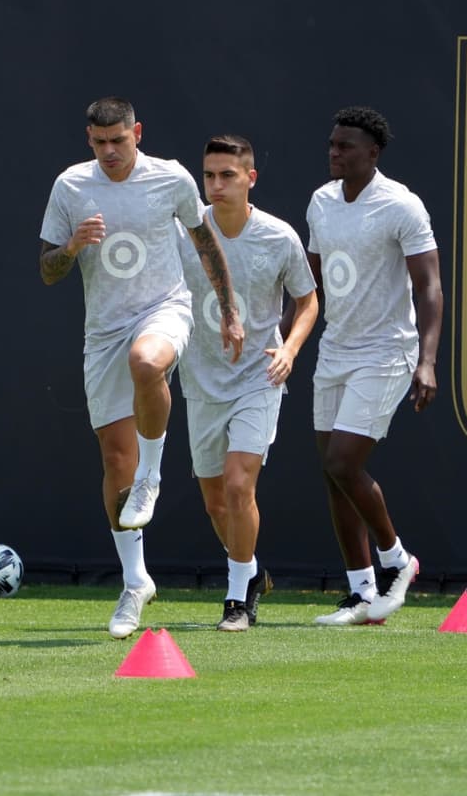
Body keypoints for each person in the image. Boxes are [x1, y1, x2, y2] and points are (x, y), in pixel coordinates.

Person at [39, 97, 245, 639]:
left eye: (119, 141)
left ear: (137, 133)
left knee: (146, 361)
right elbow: (47, 270)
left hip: (165, 309)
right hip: (101, 329)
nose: (109, 151)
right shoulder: (70, 186)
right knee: (113, 460)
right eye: (100, 142)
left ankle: (153, 477)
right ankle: (136, 582)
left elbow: (204, 244)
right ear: (89, 137)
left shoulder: (171, 179)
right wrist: (72, 244)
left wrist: (228, 312)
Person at [306, 106, 443, 626]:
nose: (334, 153)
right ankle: (362, 592)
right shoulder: (320, 202)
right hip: (335, 350)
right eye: (332, 145)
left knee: (344, 462)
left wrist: (426, 361)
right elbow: (312, 284)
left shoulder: (401, 206)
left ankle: (396, 559)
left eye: (345, 146)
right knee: (332, 475)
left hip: (388, 351)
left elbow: (429, 287)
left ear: (373, 154)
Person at [177, 135, 319, 631]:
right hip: (200, 378)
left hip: (259, 376)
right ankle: (253, 571)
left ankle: (237, 598)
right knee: (217, 502)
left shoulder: (279, 236)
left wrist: (290, 349)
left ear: (250, 178)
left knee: (240, 486)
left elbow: (308, 301)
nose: (215, 185)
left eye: (227, 176)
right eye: (209, 176)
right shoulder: (186, 232)